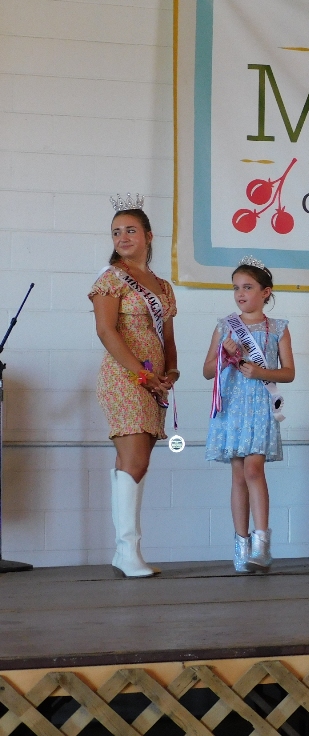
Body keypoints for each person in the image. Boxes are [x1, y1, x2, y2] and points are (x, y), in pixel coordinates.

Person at [89, 195, 179, 578]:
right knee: (134, 461)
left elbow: (167, 337)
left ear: (148, 235)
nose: (122, 237)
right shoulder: (111, 279)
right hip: (124, 378)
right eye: (116, 232)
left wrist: (171, 371)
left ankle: (126, 553)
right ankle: (127, 551)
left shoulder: (162, 286)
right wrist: (141, 374)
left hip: (153, 382)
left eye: (130, 230)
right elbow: (105, 331)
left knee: (137, 462)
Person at [203, 257, 294, 573]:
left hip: (259, 407)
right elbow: (206, 371)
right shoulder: (225, 326)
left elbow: (289, 372)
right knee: (238, 474)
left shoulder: (278, 328)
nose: (240, 293)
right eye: (236, 288)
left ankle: (262, 545)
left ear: (265, 292)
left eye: (248, 287)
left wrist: (260, 371)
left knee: (254, 470)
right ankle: (241, 546)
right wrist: (224, 356)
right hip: (232, 406)